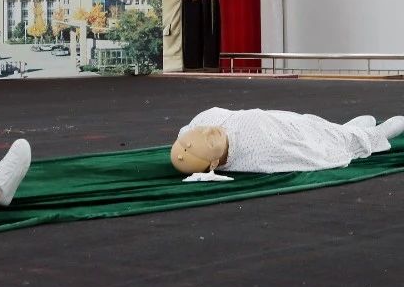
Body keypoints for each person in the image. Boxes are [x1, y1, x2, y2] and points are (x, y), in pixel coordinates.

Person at [170, 108, 404, 175]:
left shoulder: (203, 120)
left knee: (327, 128)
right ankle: (370, 135)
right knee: (336, 139)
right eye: (210, 141)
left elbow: (188, 134)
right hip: (295, 134)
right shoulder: (258, 154)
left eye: (201, 132)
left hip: (290, 119)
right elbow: (303, 153)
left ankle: (345, 130)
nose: (208, 132)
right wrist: (339, 148)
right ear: (213, 164)